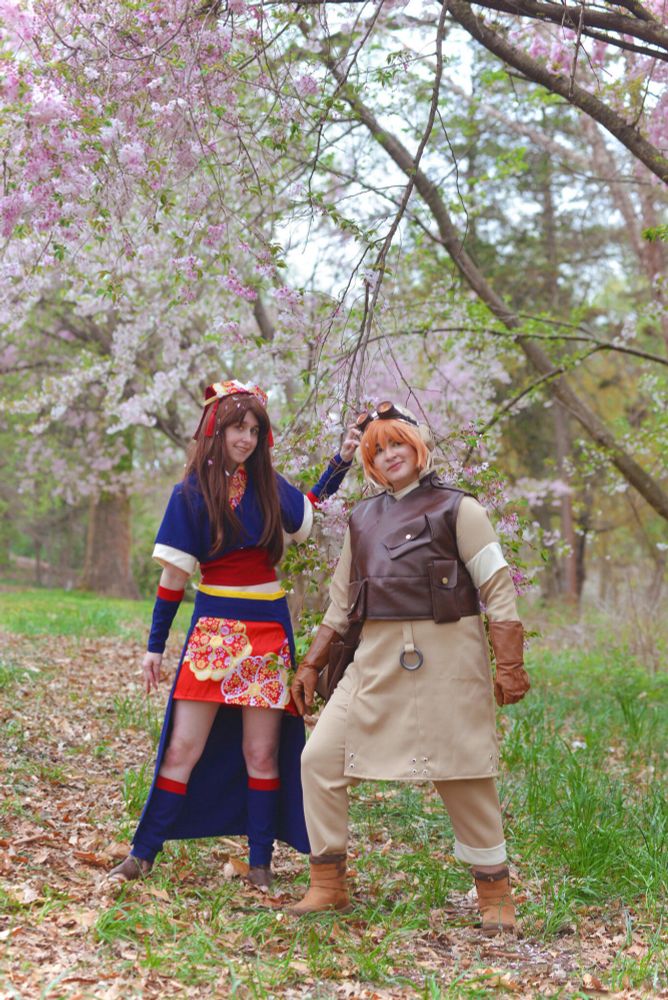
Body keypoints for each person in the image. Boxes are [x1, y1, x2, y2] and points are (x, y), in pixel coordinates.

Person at [288, 401, 530, 933]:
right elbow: (340, 602)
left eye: (397, 443)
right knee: (320, 759)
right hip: (374, 661)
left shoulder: (459, 509)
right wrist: (311, 663)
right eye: (376, 450)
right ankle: (328, 883)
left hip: (448, 659)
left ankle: (495, 896)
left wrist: (509, 663)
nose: (388, 455)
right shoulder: (361, 518)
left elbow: (496, 587)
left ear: (418, 447)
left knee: (465, 773)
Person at [109, 379, 359, 887]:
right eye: (236, 428)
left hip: (267, 628)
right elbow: (174, 579)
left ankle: (261, 862)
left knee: (261, 752)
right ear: (215, 430)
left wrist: (341, 461)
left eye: (253, 430)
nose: (245, 438)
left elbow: (307, 508)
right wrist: (154, 648)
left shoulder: (270, 486)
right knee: (183, 746)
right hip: (214, 630)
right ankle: (142, 853)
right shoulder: (190, 493)